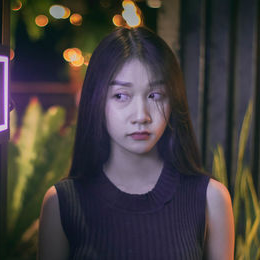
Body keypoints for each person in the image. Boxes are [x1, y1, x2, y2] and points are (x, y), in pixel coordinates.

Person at [38, 26, 234, 260]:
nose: (141, 115)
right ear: (97, 101)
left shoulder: (211, 198)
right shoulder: (62, 203)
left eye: (155, 95)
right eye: (121, 95)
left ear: (174, 101)